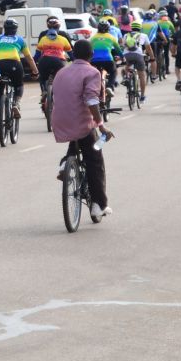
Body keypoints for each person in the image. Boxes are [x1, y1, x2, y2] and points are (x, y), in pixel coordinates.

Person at [50, 39, 114, 223]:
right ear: (91, 55)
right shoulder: (92, 72)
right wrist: (101, 124)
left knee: (77, 137)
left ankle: (65, 163)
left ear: (72, 54)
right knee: (95, 160)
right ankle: (98, 205)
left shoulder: (61, 72)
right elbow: (92, 100)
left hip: (59, 120)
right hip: (81, 121)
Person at [0, 19, 37, 119]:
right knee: (19, 85)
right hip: (14, 64)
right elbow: (29, 58)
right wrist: (35, 71)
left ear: (5, 28)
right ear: (15, 29)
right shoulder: (19, 40)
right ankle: (16, 103)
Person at [34, 16, 73, 108]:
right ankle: (61, 97)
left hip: (44, 60)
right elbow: (72, 52)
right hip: (59, 61)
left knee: (42, 77)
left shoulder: (43, 37)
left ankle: (44, 91)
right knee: (63, 79)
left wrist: (34, 63)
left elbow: (37, 53)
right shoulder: (64, 36)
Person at [88, 21, 122, 104]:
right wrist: (123, 57)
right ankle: (110, 87)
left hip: (94, 61)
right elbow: (118, 49)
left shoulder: (93, 38)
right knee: (113, 71)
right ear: (108, 29)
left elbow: (88, 49)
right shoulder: (111, 37)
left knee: (92, 75)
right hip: (108, 60)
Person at [119, 26, 149, 102]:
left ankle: (126, 78)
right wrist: (152, 57)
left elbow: (122, 45)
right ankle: (142, 96)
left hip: (127, 55)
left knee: (127, 66)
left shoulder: (126, 35)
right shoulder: (143, 35)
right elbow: (149, 48)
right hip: (138, 55)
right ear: (140, 29)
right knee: (142, 75)